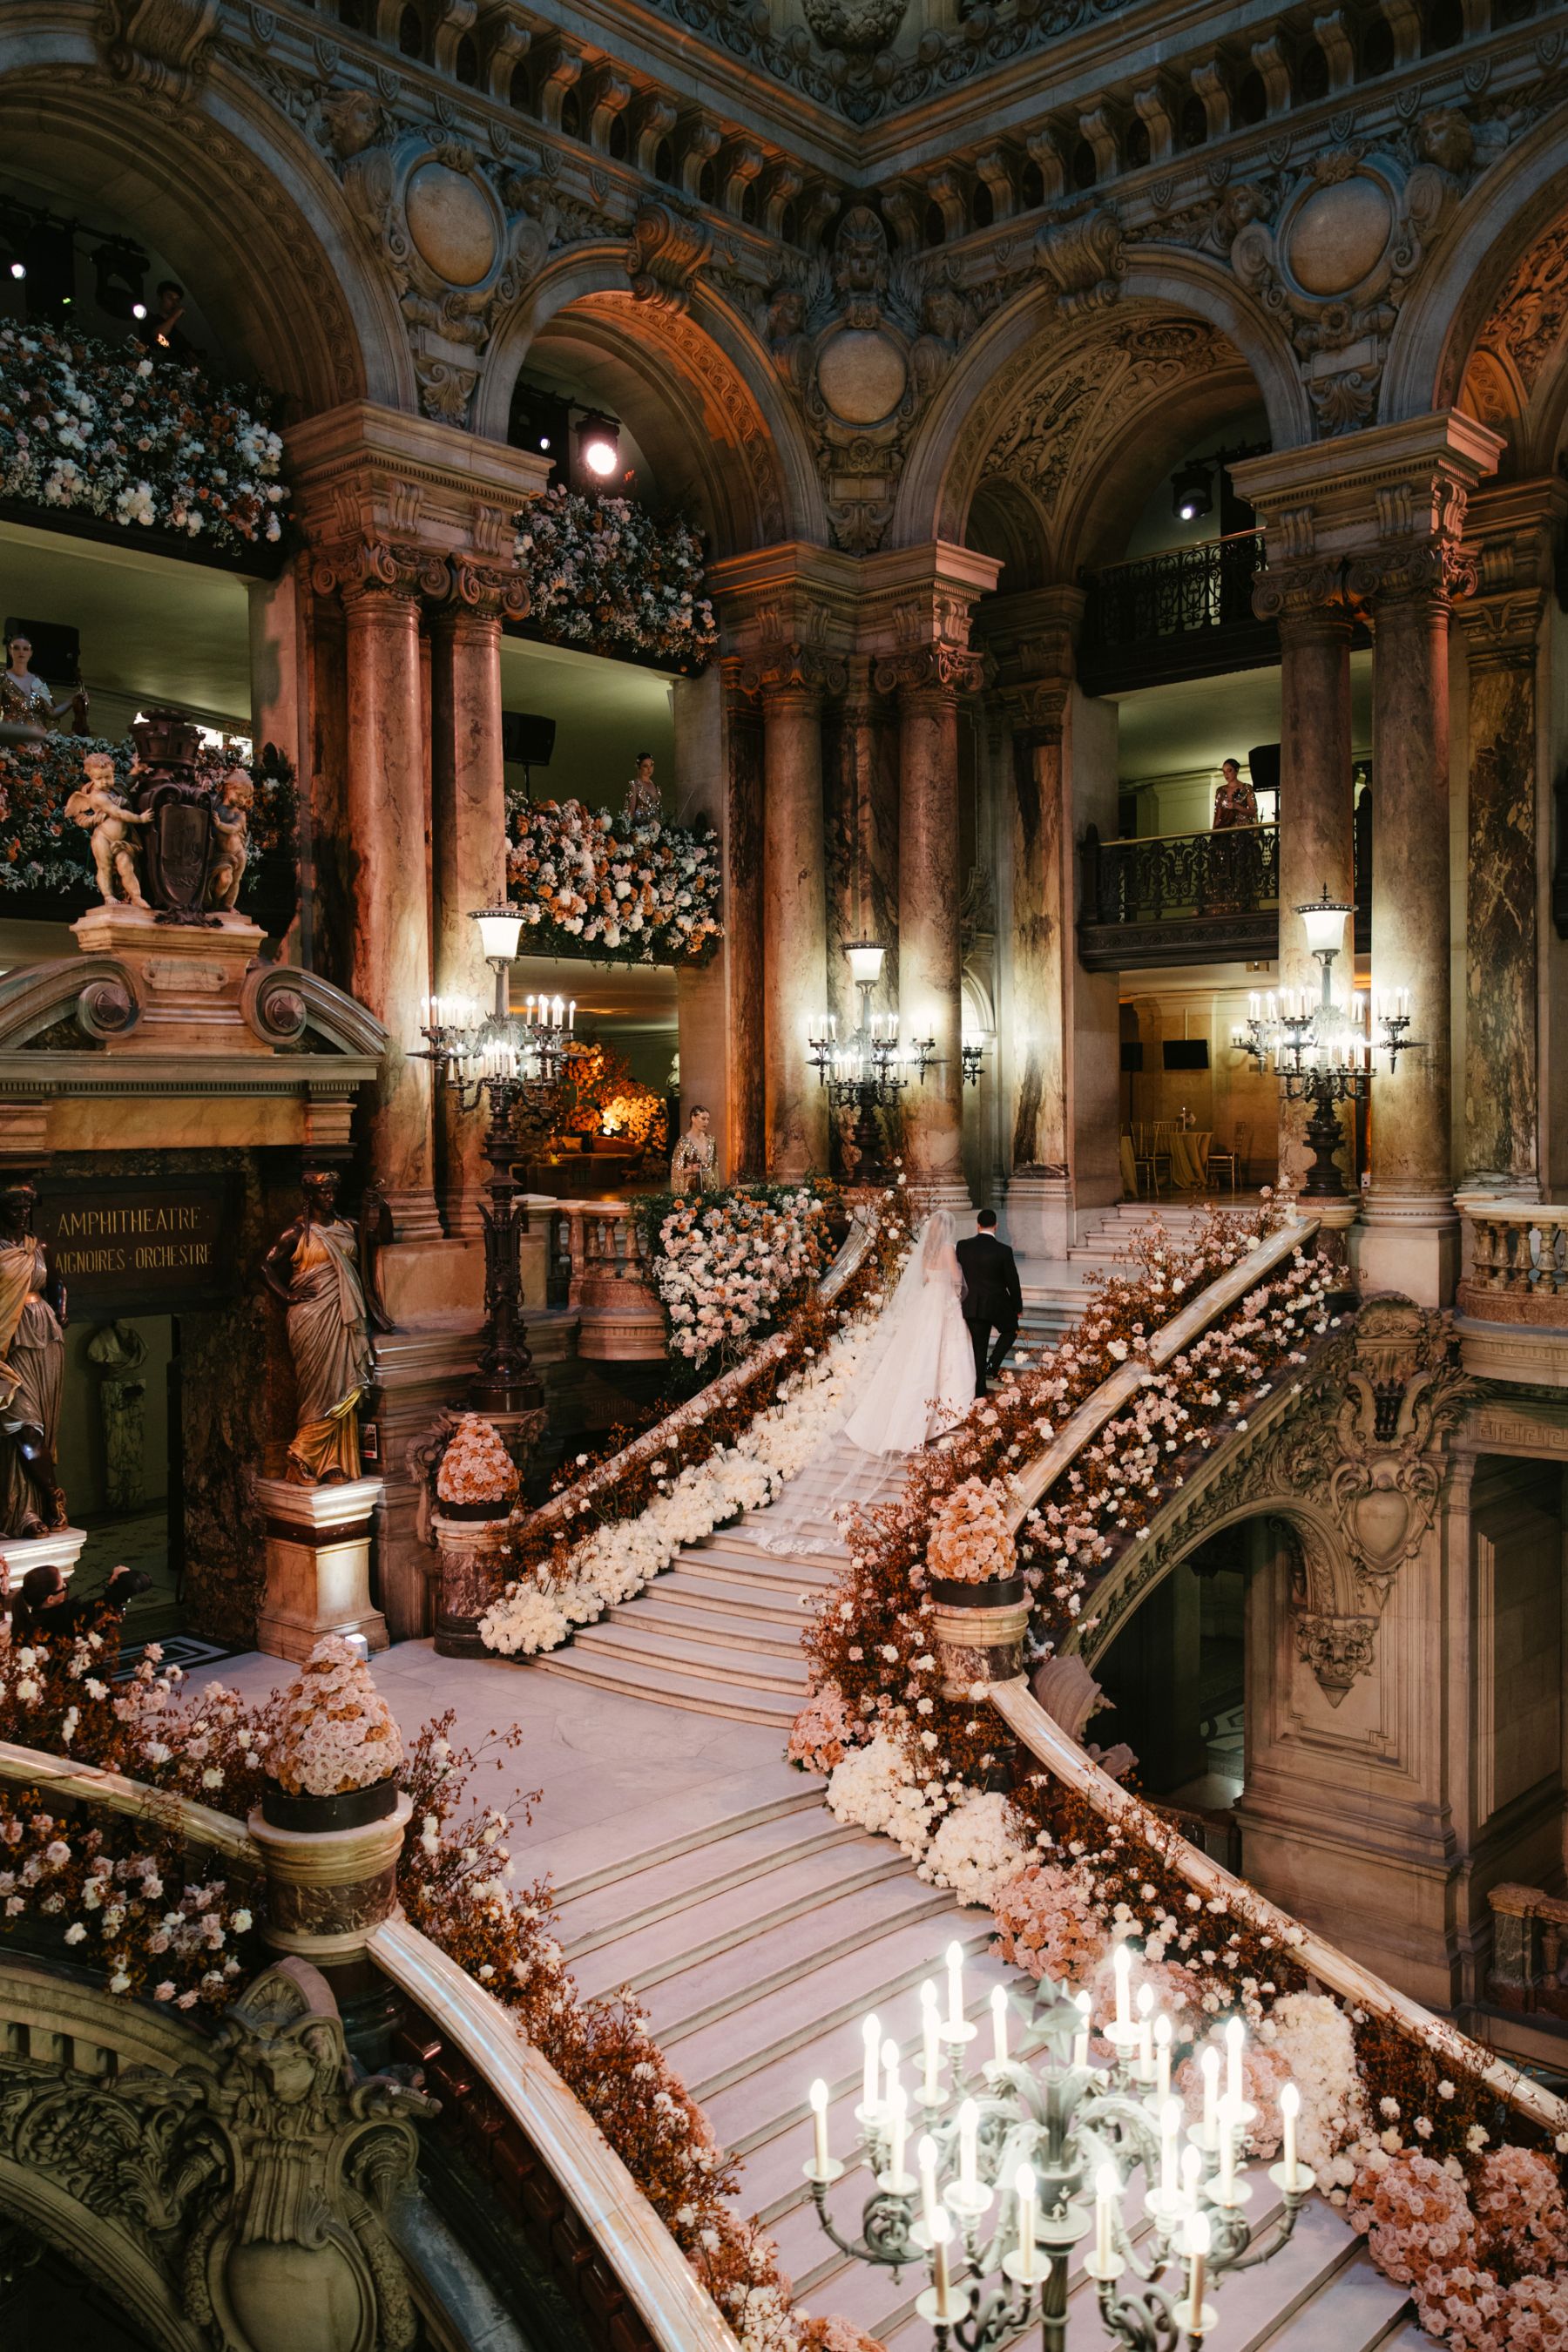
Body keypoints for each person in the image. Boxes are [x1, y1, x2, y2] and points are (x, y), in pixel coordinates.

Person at [261, 1169, 390, 1485]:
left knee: (343, 1384)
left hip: (345, 1318)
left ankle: (332, 1462)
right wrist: (288, 1295)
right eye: (324, 1193)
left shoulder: (349, 1226)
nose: (330, 1198)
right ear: (311, 1197)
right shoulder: (299, 1231)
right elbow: (263, 1265)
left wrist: (382, 1208)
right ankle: (301, 1453)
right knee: (317, 1388)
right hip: (312, 1317)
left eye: (334, 1192)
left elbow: (381, 1238)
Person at [842, 1210, 975, 1455]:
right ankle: (952, 1405)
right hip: (943, 1300)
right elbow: (957, 1277)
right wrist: (957, 1275)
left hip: (928, 1300)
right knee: (949, 1348)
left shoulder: (927, 1249)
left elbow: (924, 1277)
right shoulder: (947, 1248)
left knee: (922, 1352)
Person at [0, 1181, 66, 1539]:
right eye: (14, 1209)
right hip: (7, 1347)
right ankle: (50, 1496)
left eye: (27, 1209)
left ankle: (32, 1512)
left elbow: (58, 1283)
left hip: (46, 1340)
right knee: (23, 1430)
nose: (22, 1215)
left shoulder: (38, 1248)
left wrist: (62, 1311)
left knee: (43, 1428)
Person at [955, 1208, 1022, 1399]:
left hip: (972, 1304)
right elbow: (1012, 1282)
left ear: (978, 1225)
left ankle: (979, 1392)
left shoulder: (963, 1246)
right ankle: (992, 1365)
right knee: (1011, 1330)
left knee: (978, 1348)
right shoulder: (1004, 1250)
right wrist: (1018, 1307)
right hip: (997, 1304)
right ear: (996, 1226)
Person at [7, 1560, 150, 1647]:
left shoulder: (25, 1623)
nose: (66, 1589)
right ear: (50, 1599)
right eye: (63, 1587)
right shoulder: (70, 1617)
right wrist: (122, 1574)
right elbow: (134, 1584)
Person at [0, 632, 90, 734]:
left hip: (38, 738)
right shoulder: (2, 678)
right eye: (16, 648)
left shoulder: (38, 681)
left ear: (30, 653)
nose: (21, 652)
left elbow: (51, 712)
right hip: (13, 738)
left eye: (25, 649)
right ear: (10, 651)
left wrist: (72, 700)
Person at [669, 1105, 718, 1193]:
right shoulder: (683, 1142)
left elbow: (715, 1168)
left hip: (710, 1190)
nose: (706, 1122)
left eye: (708, 1119)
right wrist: (691, 1169)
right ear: (693, 1118)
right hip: (690, 1190)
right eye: (703, 1119)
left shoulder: (711, 1140)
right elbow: (675, 1171)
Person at [1212, 757, 1257, 829]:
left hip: (1242, 830)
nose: (1226, 774)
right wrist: (1214, 832)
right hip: (1225, 830)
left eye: (1229, 771)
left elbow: (1253, 812)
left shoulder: (1246, 788)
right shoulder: (1220, 791)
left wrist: (1237, 807)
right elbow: (1217, 814)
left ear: (1236, 770)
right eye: (1224, 772)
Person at [624, 751, 660, 823]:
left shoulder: (656, 787)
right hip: (640, 828)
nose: (649, 769)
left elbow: (658, 810)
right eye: (645, 766)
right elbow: (630, 811)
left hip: (655, 829)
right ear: (638, 766)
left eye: (651, 765)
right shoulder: (634, 785)